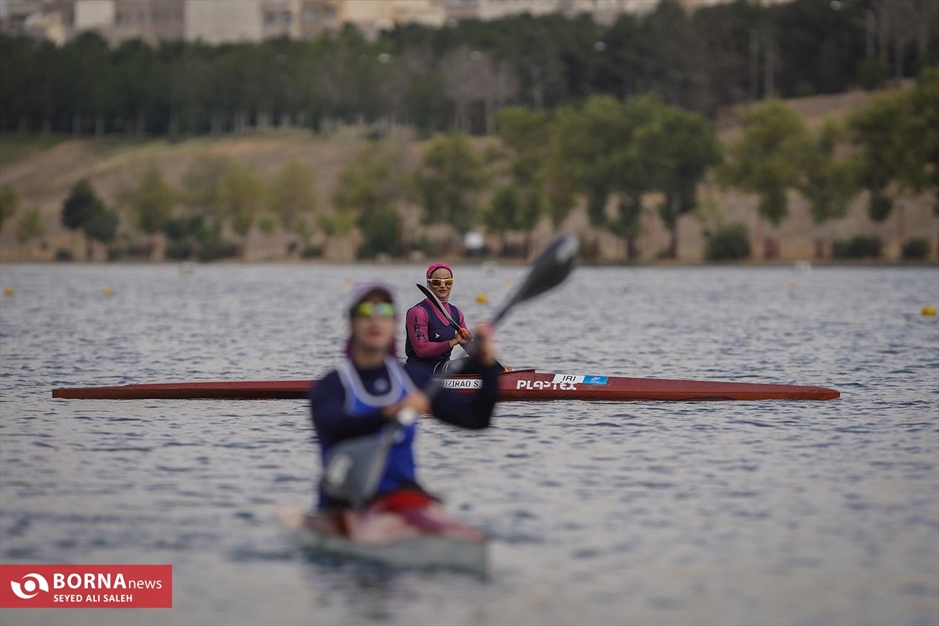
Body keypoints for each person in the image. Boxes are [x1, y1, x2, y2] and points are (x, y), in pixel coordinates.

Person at [306, 282, 501, 519]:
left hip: (401, 500)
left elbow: (476, 418)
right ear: (351, 322)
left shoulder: (412, 380)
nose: (376, 320)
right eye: (367, 311)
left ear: (394, 324)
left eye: (385, 312)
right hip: (346, 504)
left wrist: (489, 366)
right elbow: (336, 427)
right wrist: (390, 413)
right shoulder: (331, 386)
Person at [404, 262, 473, 378]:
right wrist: (454, 341)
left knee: (480, 362)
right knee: (473, 364)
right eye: (437, 282)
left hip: (443, 368)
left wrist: (470, 343)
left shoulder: (456, 313)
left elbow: (470, 349)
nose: (443, 286)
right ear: (428, 284)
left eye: (447, 282)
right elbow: (421, 349)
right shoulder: (418, 312)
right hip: (419, 371)